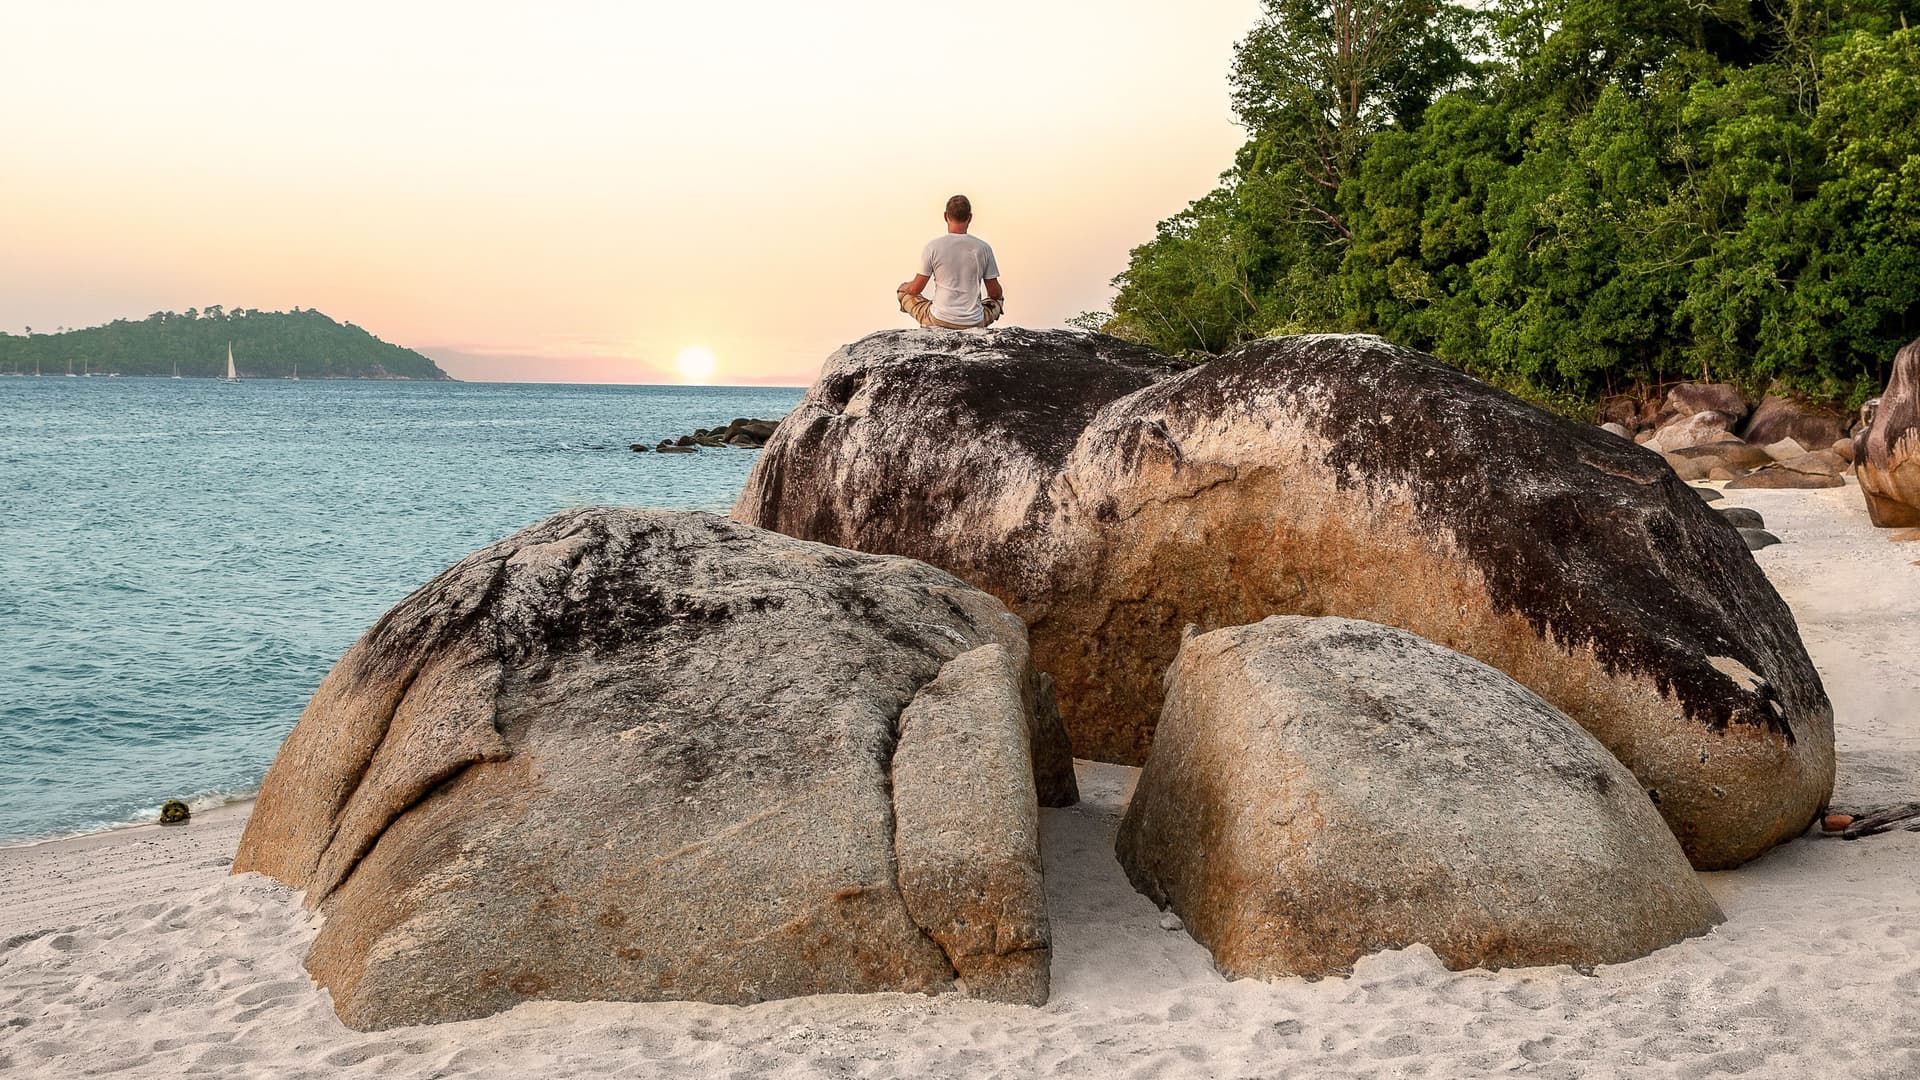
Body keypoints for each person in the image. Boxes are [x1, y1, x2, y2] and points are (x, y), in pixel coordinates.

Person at [897, 195, 1004, 330]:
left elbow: (915, 289)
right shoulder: (984, 248)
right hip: (974, 321)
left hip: (939, 320)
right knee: (998, 299)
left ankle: (931, 324)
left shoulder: (933, 247)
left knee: (904, 293)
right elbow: (994, 293)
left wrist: (904, 287)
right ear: (970, 217)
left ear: (945, 216)